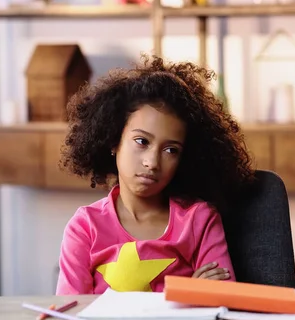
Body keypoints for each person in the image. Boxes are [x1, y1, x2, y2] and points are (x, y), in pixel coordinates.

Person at [55, 54, 255, 295]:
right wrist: (188, 291)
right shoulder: (85, 227)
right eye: (141, 141)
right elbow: (71, 314)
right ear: (113, 141)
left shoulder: (199, 220)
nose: (152, 162)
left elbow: (222, 299)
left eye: (171, 150)